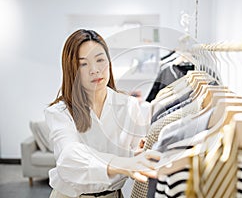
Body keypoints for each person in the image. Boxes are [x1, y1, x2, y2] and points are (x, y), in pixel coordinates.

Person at [45, 29, 161, 198]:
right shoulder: (60, 112)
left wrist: (136, 154)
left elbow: (138, 155)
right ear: (72, 70)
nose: (95, 70)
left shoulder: (130, 106)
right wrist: (123, 163)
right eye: (83, 64)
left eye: (100, 60)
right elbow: (69, 157)